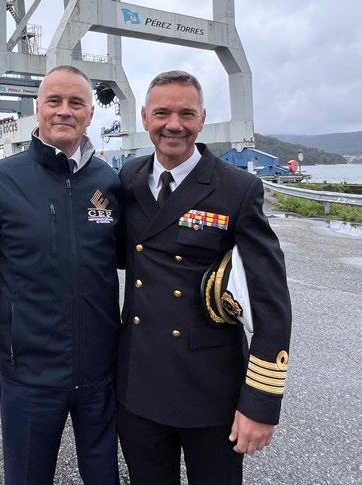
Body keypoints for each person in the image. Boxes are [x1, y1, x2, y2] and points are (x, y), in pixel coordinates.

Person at [0, 65, 122, 485]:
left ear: (90, 113)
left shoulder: (110, 182)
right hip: (29, 379)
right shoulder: (0, 180)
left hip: (101, 378)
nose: (64, 111)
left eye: (76, 102)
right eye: (54, 101)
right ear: (38, 108)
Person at [116, 70, 292, 484]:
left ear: (202, 118)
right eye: (162, 113)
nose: (173, 124)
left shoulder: (237, 189)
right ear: (145, 117)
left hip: (210, 391)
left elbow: (271, 303)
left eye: (186, 113)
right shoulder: (128, 179)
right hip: (139, 384)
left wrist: (260, 404)